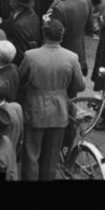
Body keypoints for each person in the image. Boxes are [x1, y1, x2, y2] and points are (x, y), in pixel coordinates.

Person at [17, 14, 86, 180]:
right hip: (60, 110)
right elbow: (81, 85)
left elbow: (20, 79)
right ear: (62, 35)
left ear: (44, 34)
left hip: (35, 109)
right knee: (51, 157)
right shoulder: (71, 57)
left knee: (31, 154)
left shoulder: (31, 56)